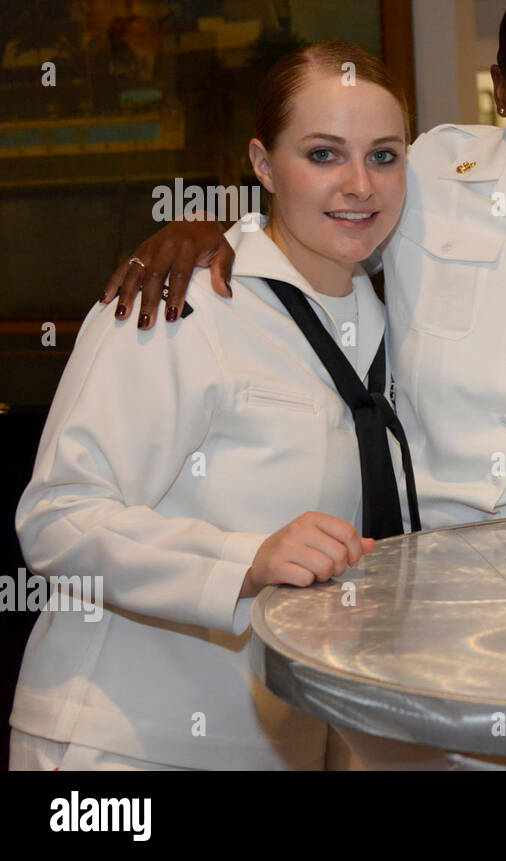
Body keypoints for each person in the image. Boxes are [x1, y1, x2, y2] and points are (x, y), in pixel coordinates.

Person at [101, 0, 506, 591]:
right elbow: (318, 221)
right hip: (400, 567)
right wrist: (215, 229)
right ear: (503, 90)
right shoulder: (427, 171)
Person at [11, 41, 416, 769]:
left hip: (279, 743)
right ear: (262, 165)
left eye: (384, 156)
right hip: (125, 743)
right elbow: (57, 516)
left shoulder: (387, 322)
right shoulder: (183, 300)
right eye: (323, 155)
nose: (359, 184)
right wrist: (245, 559)